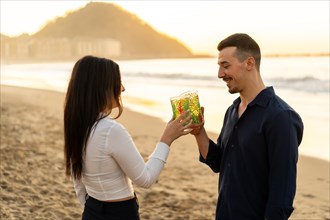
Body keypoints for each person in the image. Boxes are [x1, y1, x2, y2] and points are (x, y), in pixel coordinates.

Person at [64, 55, 192, 220]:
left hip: (91, 210)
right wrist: (167, 139)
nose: (122, 89)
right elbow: (145, 179)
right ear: (102, 88)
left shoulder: (77, 126)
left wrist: (92, 211)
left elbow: (79, 184)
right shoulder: (110, 130)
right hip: (119, 212)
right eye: (118, 82)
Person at [190, 33, 304, 220]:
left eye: (225, 66)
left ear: (249, 63)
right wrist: (198, 132)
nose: (220, 74)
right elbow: (218, 162)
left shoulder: (280, 117)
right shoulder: (232, 110)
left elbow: (283, 193)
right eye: (219, 67)